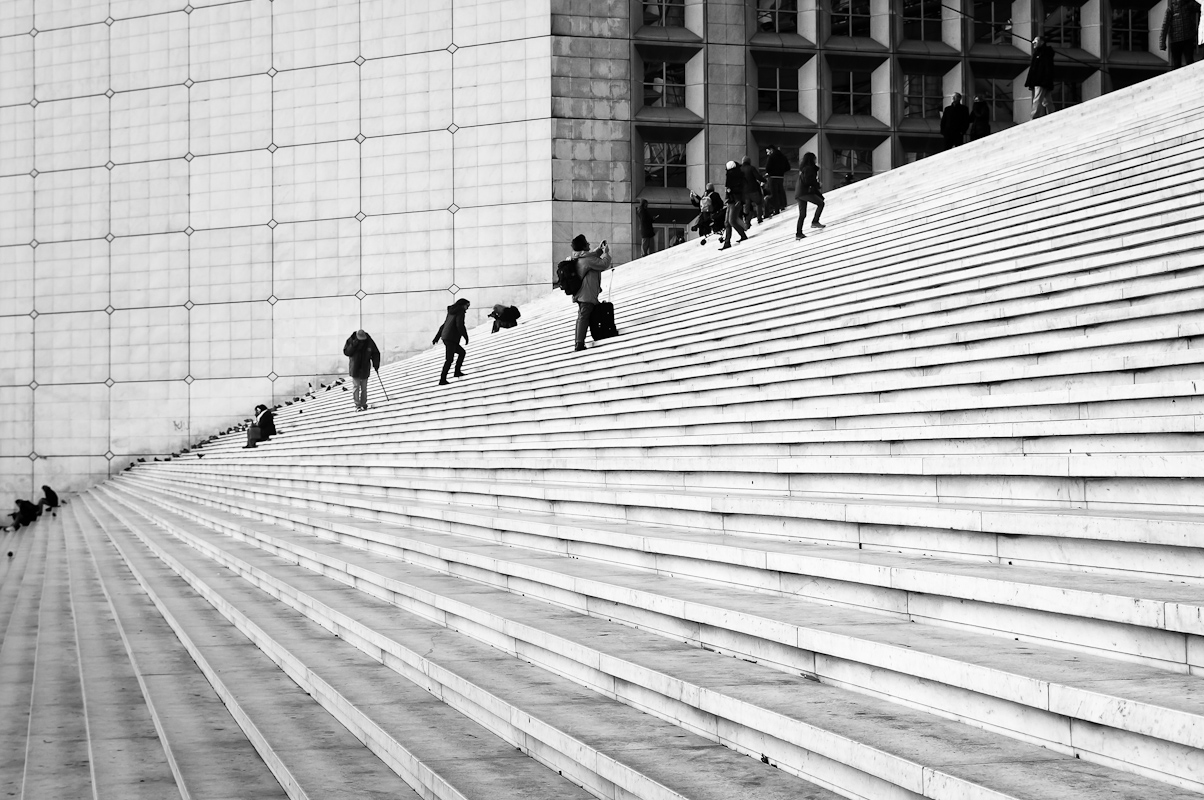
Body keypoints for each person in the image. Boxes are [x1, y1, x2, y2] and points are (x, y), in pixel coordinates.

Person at [570, 234, 612, 351]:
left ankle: (584, 340)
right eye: (586, 243)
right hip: (586, 295)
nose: (589, 244)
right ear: (583, 246)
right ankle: (579, 344)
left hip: (583, 293)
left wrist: (599, 249)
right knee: (583, 317)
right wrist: (606, 253)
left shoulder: (580, 258)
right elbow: (603, 264)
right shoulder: (586, 261)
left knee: (584, 316)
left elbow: (591, 256)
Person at [432, 298, 470, 385]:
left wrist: (437, 337)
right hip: (451, 338)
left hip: (447, 337)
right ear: (463, 305)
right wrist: (466, 336)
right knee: (449, 359)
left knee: (462, 352)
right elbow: (460, 325)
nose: (467, 308)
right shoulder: (460, 311)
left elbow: (444, 324)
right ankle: (442, 379)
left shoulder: (451, 312)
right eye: (467, 306)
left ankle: (457, 372)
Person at [342, 329, 380, 411]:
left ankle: (363, 403)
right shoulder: (351, 340)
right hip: (355, 367)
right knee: (356, 386)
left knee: (364, 387)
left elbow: (375, 353)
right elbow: (346, 352)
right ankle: (357, 405)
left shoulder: (369, 341)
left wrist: (376, 365)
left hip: (365, 367)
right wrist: (353, 345)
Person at [1161, 0, 1202, 67]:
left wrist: (1162, 43)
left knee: (1184, 62)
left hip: (1183, 39)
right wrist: (1162, 43)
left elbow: (1165, 27)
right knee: (1182, 62)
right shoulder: (1172, 9)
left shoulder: (1187, 6)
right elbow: (1165, 26)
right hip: (1181, 40)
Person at [795, 151, 825, 240]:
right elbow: (809, 181)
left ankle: (798, 234)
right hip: (805, 192)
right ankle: (815, 221)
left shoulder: (804, 169)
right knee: (821, 203)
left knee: (802, 214)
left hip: (799, 193)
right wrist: (817, 184)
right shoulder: (809, 169)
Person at [1025, 35, 1056, 120]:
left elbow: (1043, 68)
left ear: (1042, 42)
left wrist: (1037, 80)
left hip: (1041, 81)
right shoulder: (1040, 53)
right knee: (1047, 100)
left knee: (1037, 99)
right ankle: (1052, 115)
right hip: (1043, 81)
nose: (1033, 42)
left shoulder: (1043, 53)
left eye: (1036, 41)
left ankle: (1034, 117)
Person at [720, 161, 748, 251]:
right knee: (727, 222)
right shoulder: (738, 176)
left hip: (734, 201)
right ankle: (727, 242)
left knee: (731, 221)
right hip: (733, 201)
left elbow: (736, 189)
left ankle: (742, 235)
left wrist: (731, 194)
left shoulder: (735, 177)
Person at [764, 146, 791, 217]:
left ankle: (776, 209)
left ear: (771, 150)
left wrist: (770, 172)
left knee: (774, 193)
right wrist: (781, 171)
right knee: (780, 191)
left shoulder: (771, 157)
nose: (767, 153)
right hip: (780, 177)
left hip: (772, 177)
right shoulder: (783, 157)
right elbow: (788, 167)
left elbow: (767, 168)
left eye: (767, 151)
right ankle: (782, 205)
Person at [739, 156, 765, 225]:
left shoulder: (740, 169)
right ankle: (759, 218)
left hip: (744, 192)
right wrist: (764, 180)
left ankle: (746, 221)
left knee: (747, 206)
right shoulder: (751, 168)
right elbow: (758, 177)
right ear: (749, 162)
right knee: (758, 203)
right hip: (753, 190)